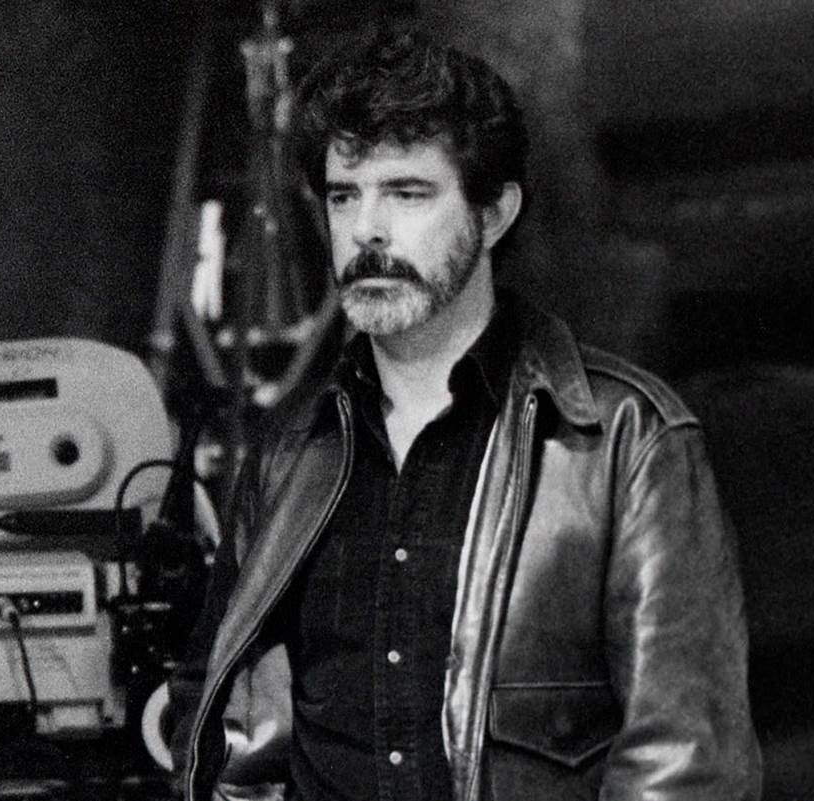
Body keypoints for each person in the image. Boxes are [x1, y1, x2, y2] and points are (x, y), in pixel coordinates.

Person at [174, 26, 762, 801]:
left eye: (407, 193)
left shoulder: (625, 440)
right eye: (345, 195)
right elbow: (228, 737)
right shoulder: (291, 450)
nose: (367, 228)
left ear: (493, 213)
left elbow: (685, 766)